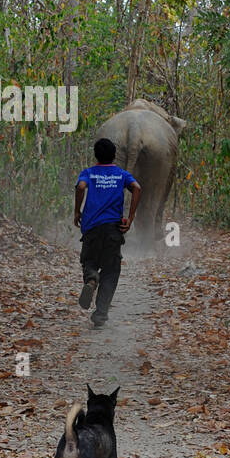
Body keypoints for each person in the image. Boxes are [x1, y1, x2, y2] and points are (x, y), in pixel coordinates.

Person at [74, 137, 141, 327]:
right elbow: (137, 188)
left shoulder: (89, 173)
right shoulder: (121, 174)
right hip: (113, 230)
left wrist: (77, 211)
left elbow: (80, 187)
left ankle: (92, 278)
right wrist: (131, 217)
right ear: (114, 156)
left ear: (96, 156)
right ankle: (101, 313)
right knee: (111, 271)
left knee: (89, 261)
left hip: (92, 229)